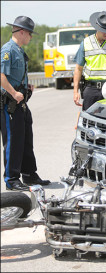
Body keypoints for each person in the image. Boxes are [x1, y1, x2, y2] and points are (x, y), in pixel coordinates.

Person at [1, 16, 50, 191]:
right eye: (29, 33)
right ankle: (11, 179)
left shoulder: (19, 51)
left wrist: (25, 87)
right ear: (21, 32)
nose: (30, 37)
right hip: (10, 104)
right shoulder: (8, 50)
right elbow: (1, 76)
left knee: (26, 140)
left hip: (20, 103)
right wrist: (14, 92)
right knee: (13, 142)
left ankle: (29, 174)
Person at [73, 11, 106, 111]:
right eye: (103, 30)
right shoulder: (85, 43)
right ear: (97, 28)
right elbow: (78, 69)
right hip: (90, 90)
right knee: (89, 121)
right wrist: (75, 91)